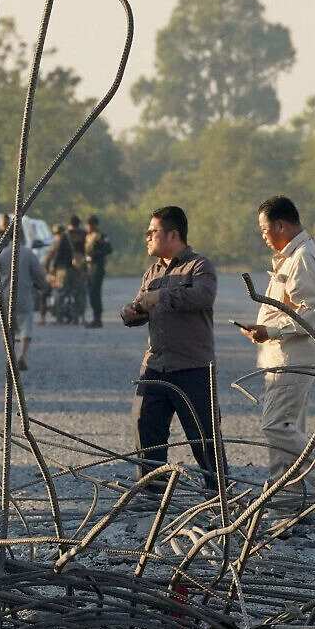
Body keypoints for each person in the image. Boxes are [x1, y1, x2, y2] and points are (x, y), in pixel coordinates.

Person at [238, 196, 315, 500]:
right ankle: (286, 501)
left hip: (293, 360)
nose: (265, 237)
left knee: (276, 427)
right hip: (278, 359)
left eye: (266, 231)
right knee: (286, 432)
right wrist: (264, 330)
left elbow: (310, 314)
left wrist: (273, 330)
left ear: (281, 225)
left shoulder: (302, 256)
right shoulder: (291, 257)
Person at [121, 206, 220, 496]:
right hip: (156, 365)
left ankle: (219, 497)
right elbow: (136, 311)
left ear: (173, 234)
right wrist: (133, 309)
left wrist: (161, 296)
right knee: (146, 430)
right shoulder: (152, 272)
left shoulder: (200, 267)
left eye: (153, 232)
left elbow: (203, 296)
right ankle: (153, 494)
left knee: (204, 437)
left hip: (193, 367)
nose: (147, 237)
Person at [0, 217, 48, 370]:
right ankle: (22, 354)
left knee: (6, 329)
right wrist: (42, 286)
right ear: (22, 237)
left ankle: (10, 358)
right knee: (26, 326)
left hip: (5, 296)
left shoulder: (1, 253)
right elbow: (39, 276)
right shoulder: (29, 254)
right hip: (24, 296)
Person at [82, 213, 112, 328]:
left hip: (97, 268)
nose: (87, 227)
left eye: (89, 224)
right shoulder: (88, 236)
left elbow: (108, 249)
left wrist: (94, 256)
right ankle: (95, 318)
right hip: (89, 268)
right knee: (91, 293)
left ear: (94, 225)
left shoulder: (101, 236)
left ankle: (97, 318)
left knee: (95, 293)